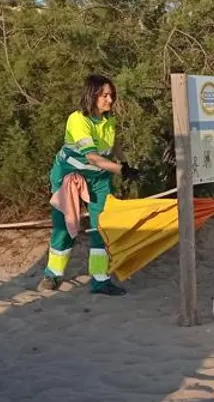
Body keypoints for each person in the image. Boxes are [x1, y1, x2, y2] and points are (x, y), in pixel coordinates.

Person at [38, 74, 140, 296]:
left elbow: (114, 143)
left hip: (99, 179)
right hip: (70, 176)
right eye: (104, 95)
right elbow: (92, 157)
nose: (109, 99)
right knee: (63, 225)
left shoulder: (108, 119)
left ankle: (101, 280)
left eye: (111, 95)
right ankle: (52, 274)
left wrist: (124, 161)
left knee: (101, 226)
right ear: (91, 95)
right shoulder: (77, 119)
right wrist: (121, 171)